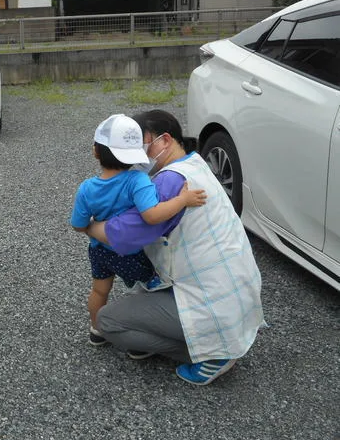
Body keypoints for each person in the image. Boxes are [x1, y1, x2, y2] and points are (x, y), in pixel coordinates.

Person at [86, 109, 264, 386]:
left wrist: (88, 227)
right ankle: (213, 342)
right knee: (143, 290)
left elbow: (125, 235)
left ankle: (210, 355)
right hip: (235, 294)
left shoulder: (169, 181)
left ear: (165, 140)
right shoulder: (194, 163)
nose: (137, 153)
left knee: (109, 322)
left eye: (141, 143)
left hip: (211, 304)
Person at [71, 114, 206, 347]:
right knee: (150, 285)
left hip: (99, 251)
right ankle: (142, 335)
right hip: (130, 254)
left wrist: (90, 228)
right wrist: (182, 200)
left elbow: (78, 224)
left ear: (95, 151)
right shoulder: (138, 180)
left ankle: (96, 329)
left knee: (99, 290)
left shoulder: (86, 188)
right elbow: (153, 215)